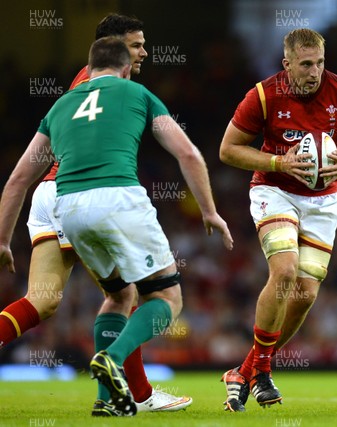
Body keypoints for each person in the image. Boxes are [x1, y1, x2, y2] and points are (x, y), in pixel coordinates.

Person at [0, 37, 233, 416]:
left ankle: (115, 399)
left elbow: (17, 180)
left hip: (60, 199)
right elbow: (187, 152)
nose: (144, 52)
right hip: (108, 194)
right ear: (122, 59)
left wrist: (3, 240)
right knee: (163, 298)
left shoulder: (65, 100)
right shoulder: (132, 91)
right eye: (138, 46)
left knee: (83, 298)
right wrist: (209, 211)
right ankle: (118, 368)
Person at [219, 28, 337, 412]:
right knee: (285, 272)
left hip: (323, 201)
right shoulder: (263, 95)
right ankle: (263, 371)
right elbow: (228, 150)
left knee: (305, 294)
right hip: (274, 191)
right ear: (286, 64)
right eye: (306, 64)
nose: (315, 71)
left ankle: (245, 370)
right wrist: (278, 162)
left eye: (320, 62)